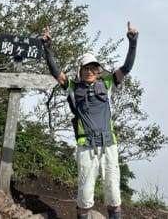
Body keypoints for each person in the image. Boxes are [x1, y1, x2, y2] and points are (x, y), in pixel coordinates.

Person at [41, 21, 139, 219]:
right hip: (86, 147)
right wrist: (47, 47)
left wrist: (133, 41)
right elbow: (55, 72)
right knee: (85, 197)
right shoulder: (73, 87)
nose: (90, 71)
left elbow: (126, 67)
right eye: (86, 68)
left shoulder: (108, 83)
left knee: (114, 195)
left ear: (98, 70)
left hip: (109, 146)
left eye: (94, 67)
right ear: (81, 70)